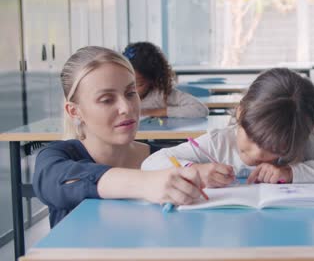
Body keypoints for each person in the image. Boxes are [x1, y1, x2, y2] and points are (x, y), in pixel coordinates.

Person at [33, 46, 203, 227]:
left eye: (131, 93)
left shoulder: (165, 158)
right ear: (74, 111)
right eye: (106, 99)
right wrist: (146, 183)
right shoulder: (56, 159)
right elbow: (53, 182)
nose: (127, 108)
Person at [142, 68, 314, 187]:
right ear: (240, 112)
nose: (257, 153)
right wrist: (194, 170)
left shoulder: (302, 146)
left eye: (274, 147)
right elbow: (151, 163)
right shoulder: (218, 143)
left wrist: (291, 172)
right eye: (251, 137)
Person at [122, 42, 209, 118]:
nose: (130, 90)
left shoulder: (161, 95)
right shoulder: (117, 96)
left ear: (152, 80)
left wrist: (154, 112)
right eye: (124, 81)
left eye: (138, 84)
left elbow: (200, 109)